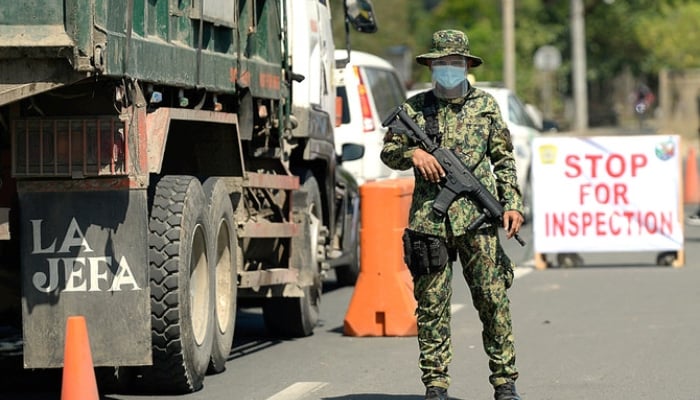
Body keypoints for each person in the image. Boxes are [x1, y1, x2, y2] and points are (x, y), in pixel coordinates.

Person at [380, 29, 524, 400]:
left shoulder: (486, 106)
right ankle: (436, 385)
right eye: (441, 63)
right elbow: (390, 151)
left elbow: (503, 161)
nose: (447, 69)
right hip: (430, 221)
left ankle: (505, 383)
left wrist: (511, 205)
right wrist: (414, 155)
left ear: (466, 66)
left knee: (494, 302)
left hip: (478, 222)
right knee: (431, 309)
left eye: (454, 63)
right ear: (431, 66)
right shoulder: (414, 108)